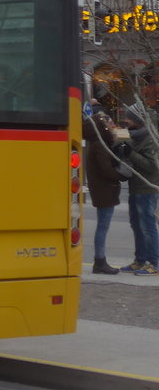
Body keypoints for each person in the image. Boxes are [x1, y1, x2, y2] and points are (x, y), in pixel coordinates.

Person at [82, 104, 130, 274]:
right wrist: (122, 176)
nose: (111, 126)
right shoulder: (100, 145)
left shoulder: (96, 143)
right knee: (103, 226)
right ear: (102, 126)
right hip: (105, 190)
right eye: (108, 123)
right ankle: (100, 261)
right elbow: (107, 170)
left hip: (102, 189)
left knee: (103, 225)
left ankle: (100, 260)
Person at [120, 109, 159, 275]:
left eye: (128, 118)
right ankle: (140, 260)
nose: (125, 120)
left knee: (147, 227)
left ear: (138, 120)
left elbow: (152, 166)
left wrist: (131, 153)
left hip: (147, 189)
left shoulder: (150, 138)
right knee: (136, 225)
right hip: (135, 188)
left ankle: (155, 263)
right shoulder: (136, 136)